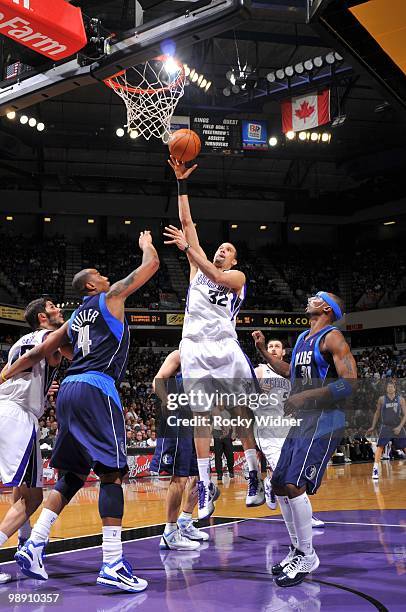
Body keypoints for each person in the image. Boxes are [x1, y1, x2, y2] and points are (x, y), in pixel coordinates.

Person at [1, 231, 159, 593]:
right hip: (96, 388)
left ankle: (35, 543)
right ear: (92, 284)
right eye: (100, 274)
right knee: (113, 475)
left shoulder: (72, 320)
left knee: (71, 475)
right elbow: (151, 265)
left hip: (69, 390)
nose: (106, 276)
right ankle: (112, 561)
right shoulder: (110, 296)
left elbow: (36, 355)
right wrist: (145, 244)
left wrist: (5, 373)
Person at [164, 157, 264, 520]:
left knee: (240, 413)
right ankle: (205, 485)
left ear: (235, 259)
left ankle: (253, 472)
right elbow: (188, 223)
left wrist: (190, 250)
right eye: (219, 248)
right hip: (194, 348)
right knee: (200, 418)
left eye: (228, 249)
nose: (222, 251)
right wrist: (181, 184)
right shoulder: (196, 266)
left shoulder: (237, 278)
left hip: (224, 347)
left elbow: (218, 278)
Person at [253, 291, 357, 587]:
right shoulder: (301, 339)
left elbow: (349, 382)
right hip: (303, 419)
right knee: (279, 483)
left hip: (325, 419)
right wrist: (264, 352)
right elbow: (291, 374)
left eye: (316, 297)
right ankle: (298, 549)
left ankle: (308, 555)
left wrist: (304, 397)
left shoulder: (333, 337)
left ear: (326, 307)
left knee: (294, 484)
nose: (309, 298)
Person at [0, 298, 66, 584]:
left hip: (8, 410)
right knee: (35, 496)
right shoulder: (49, 336)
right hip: (18, 415)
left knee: (23, 489)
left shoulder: (20, 341)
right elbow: (43, 357)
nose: (59, 309)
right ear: (42, 316)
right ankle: (23, 545)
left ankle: (23, 542)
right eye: (53, 306)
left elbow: (30, 366)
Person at [252, 336, 325, 528]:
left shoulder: (290, 373)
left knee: (295, 475)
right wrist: (256, 391)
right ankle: (305, 518)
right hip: (267, 429)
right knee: (284, 476)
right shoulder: (259, 371)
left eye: (277, 346)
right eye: (270, 346)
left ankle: (270, 483)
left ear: (284, 352)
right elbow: (242, 396)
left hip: (290, 427)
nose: (274, 349)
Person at [151, 350, 209, 550]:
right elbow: (158, 379)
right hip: (178, 420)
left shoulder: (209, 359)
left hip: (199, 423)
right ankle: (169, 533)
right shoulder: (181, 354)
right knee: (179, 478)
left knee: (198, 476)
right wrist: (167, 400)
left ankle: (184, 521)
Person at [367, 380, 406, 479]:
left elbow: (405, 415)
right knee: (380, 447)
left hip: (398, 426)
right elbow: (377, 413)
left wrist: (400, 427)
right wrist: (373, 426)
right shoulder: (382, 399)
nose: (390, 388)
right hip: (386, 427)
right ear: (386, 388)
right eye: (388, 387)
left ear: (395, 388)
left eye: (392, 387)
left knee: (404, 447)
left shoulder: (400, 399)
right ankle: (375, 469)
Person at [212, 405, 235, 482]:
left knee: (230, 455)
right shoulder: (214, 411)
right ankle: (219, 474)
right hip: (217, 433)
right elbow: (210, 423)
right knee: (218, 456)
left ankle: (231, 471)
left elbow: (233, 422)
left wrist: (234, 432)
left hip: (228, 434)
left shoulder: (229, 411)